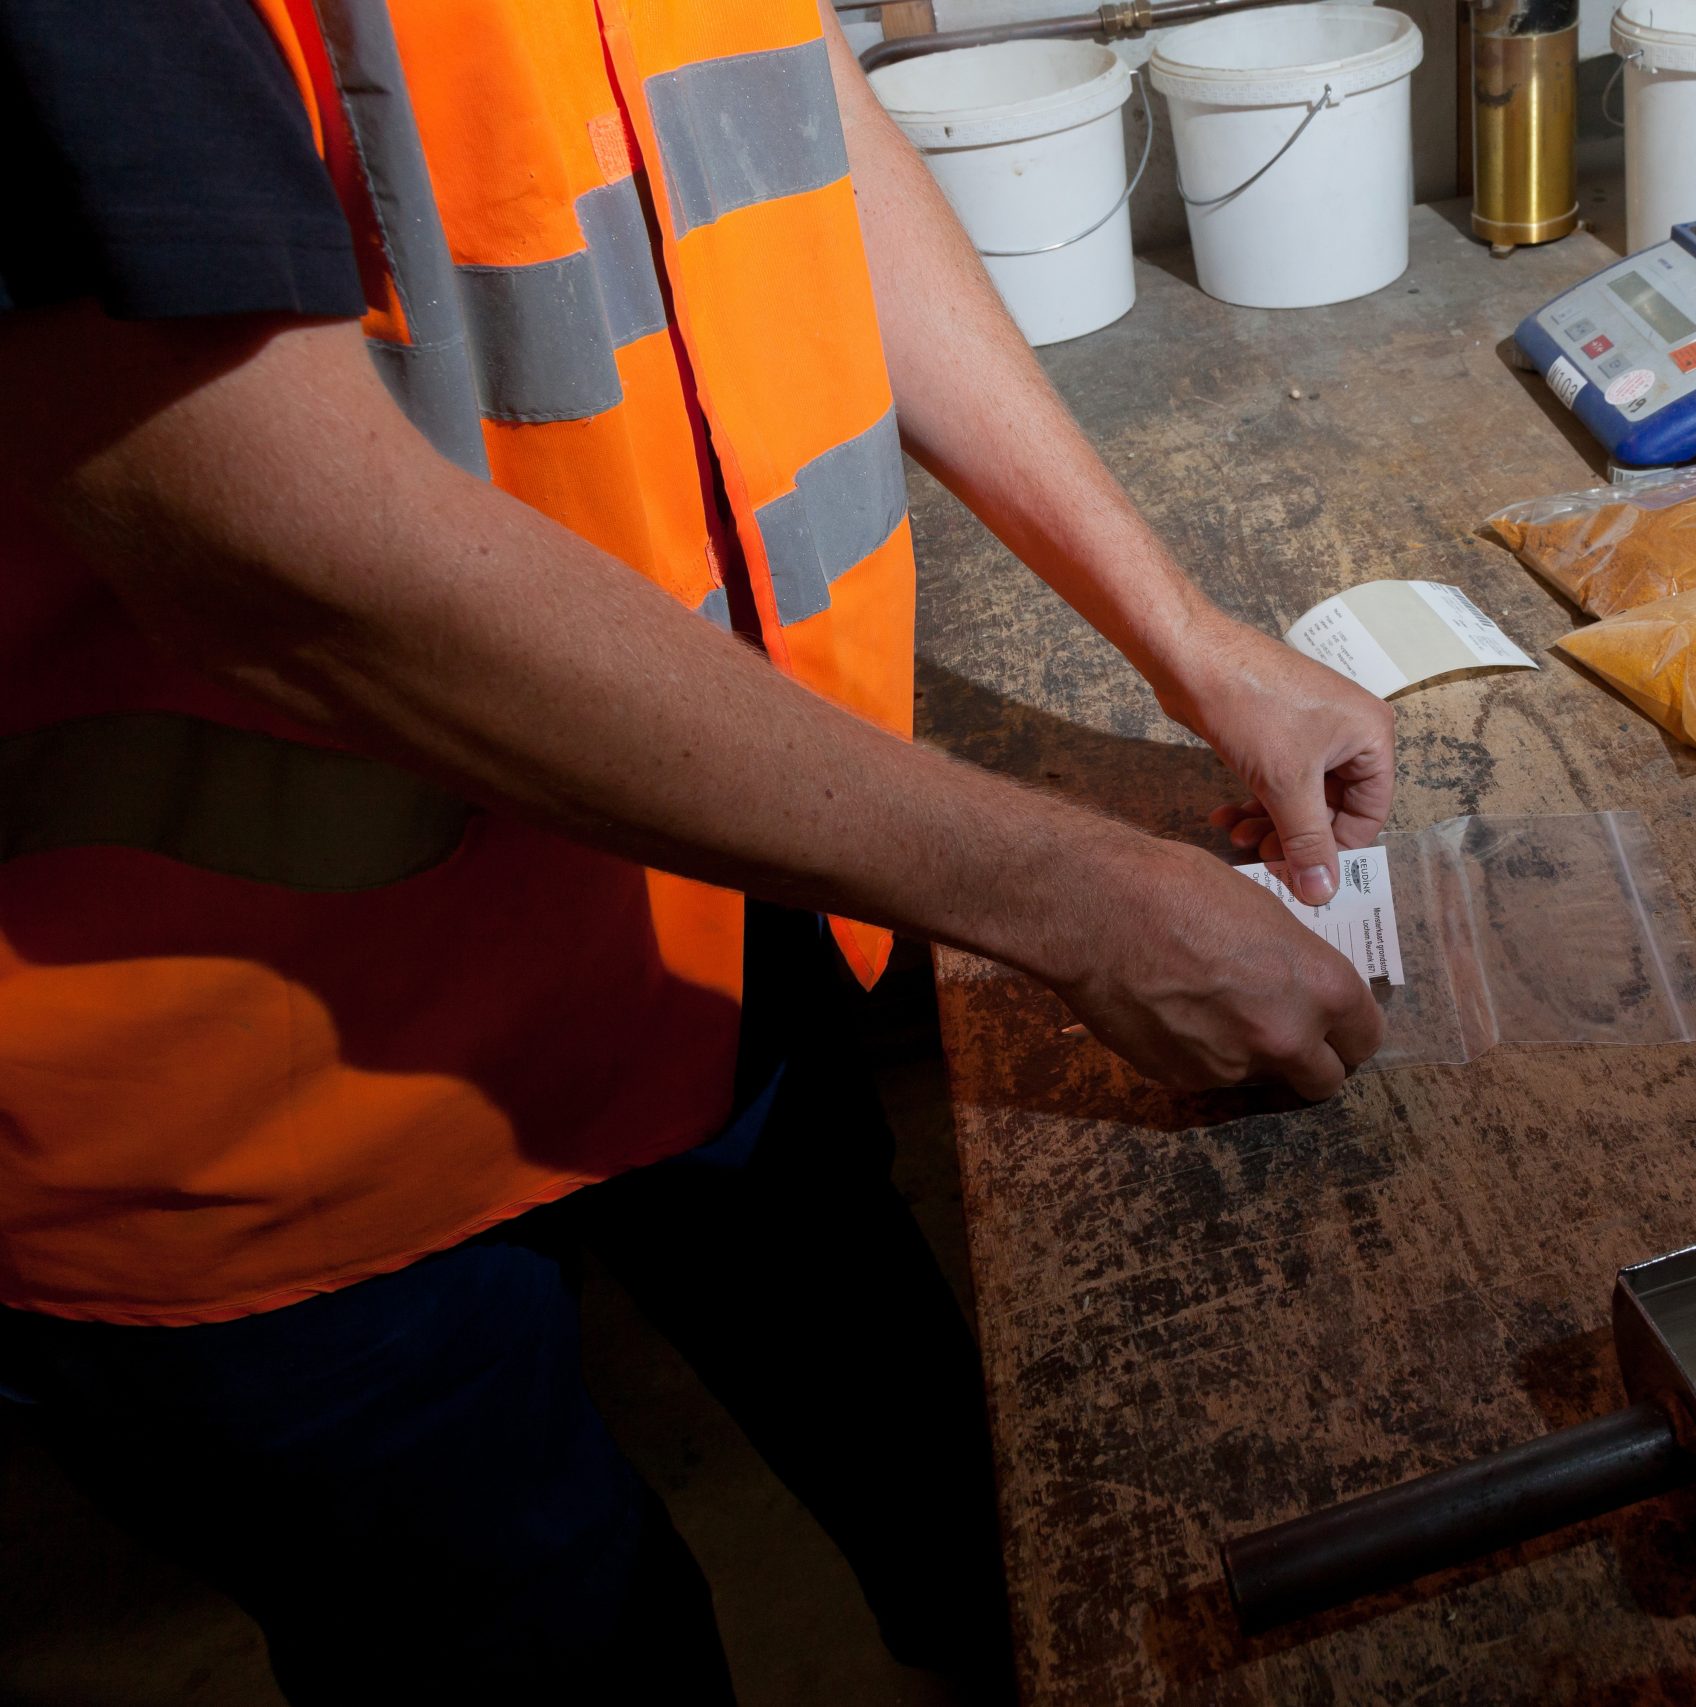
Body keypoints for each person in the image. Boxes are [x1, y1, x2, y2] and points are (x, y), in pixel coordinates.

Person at [0, 0, 1393, 1700]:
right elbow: (252, 533)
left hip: (718, 910)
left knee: (1002, 1545)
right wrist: (1072, 894)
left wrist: (1184, 630)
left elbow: (788, 114)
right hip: (263, 1091)